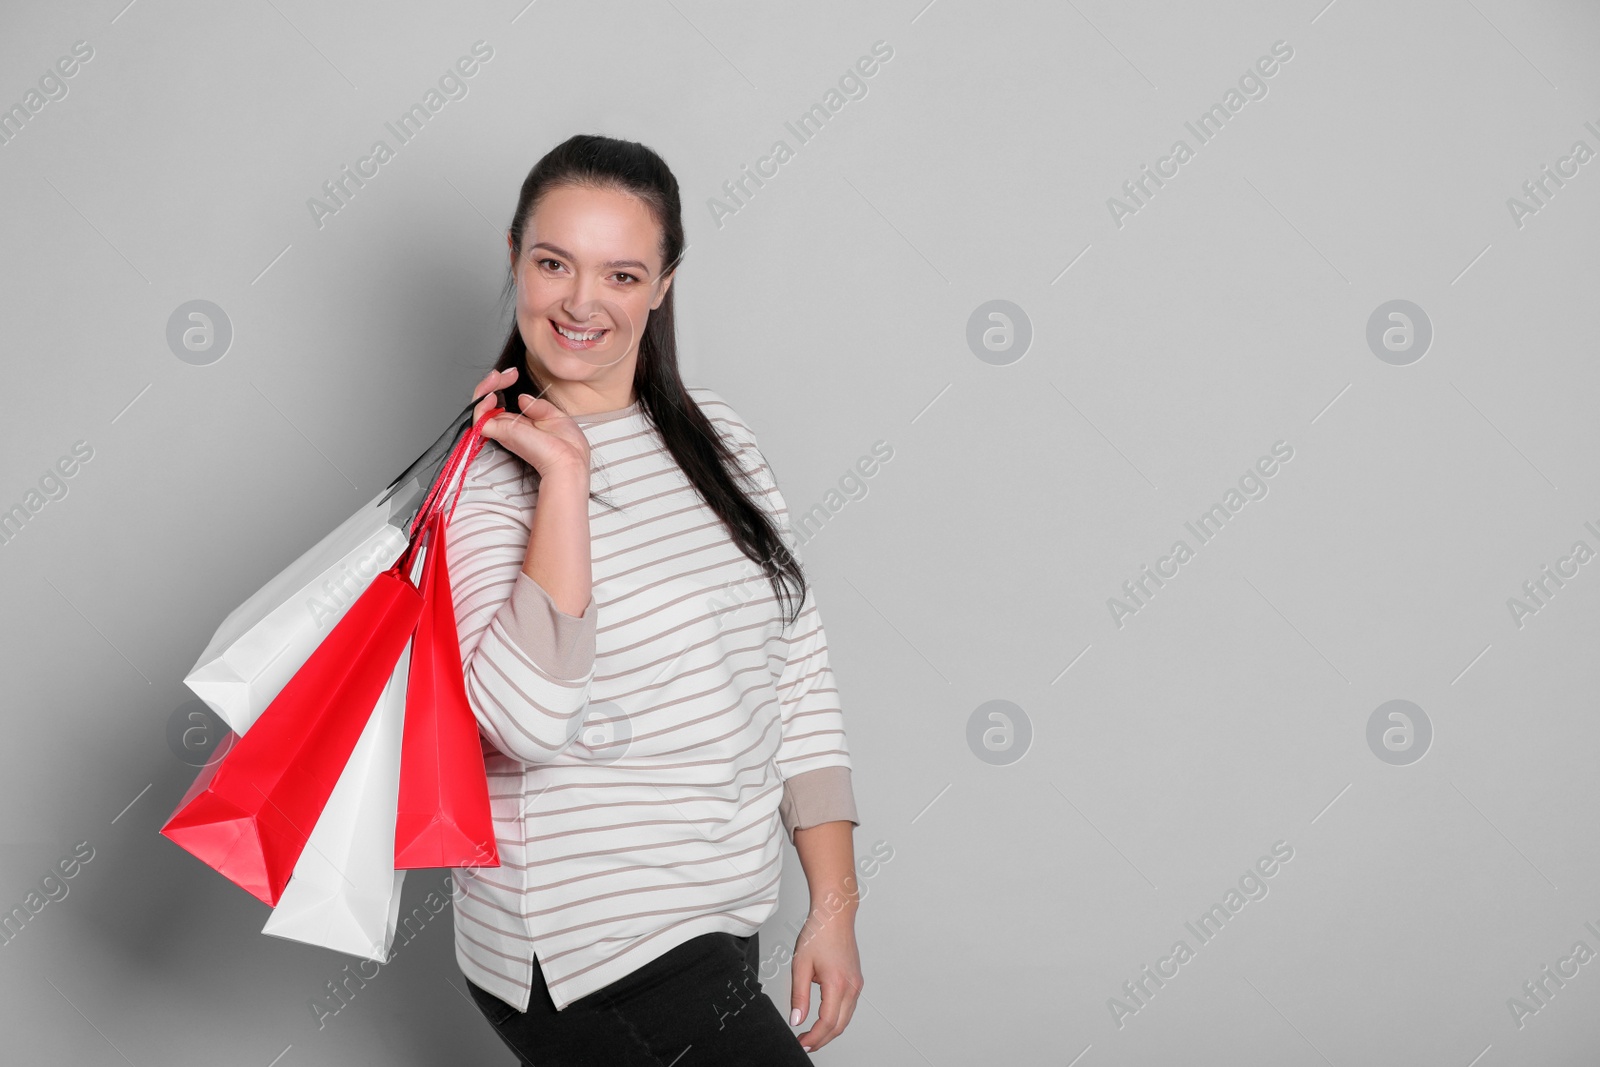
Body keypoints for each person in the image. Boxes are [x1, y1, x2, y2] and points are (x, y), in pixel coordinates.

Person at [445, 133, 864, 1064]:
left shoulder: (721, 438)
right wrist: (560, 476)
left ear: (663, 283)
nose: (582, 302)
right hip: (586, 942)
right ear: (514, 256)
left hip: (714, 925)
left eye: (622, 274)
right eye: (554, 263)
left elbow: (796, 672)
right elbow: (524, 726)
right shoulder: (479, 482)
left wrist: (832, 908)